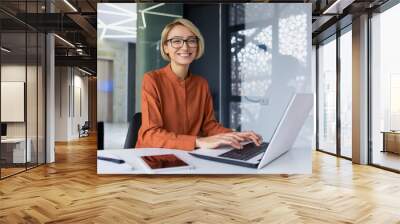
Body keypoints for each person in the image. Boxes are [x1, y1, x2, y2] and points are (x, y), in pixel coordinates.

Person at [135, 18, 262, 151]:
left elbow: (209, 126)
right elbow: (151, 134)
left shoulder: (201, 84)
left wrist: (235, 135)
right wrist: (197, 141)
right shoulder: (152, 80)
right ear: (165, 47)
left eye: (191, 40)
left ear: (197, 45)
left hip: (190, 157)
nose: (185, 47)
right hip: (153, 157)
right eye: (177, 41)